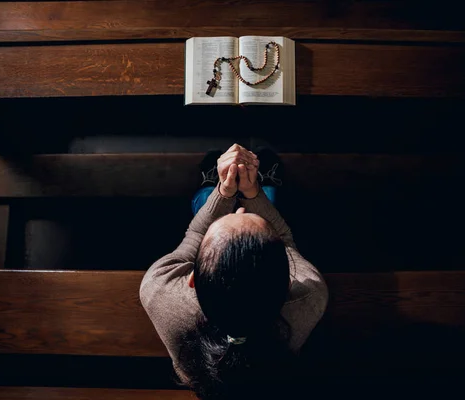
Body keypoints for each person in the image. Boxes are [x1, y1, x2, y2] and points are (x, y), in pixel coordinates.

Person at [139, 144, 328, 400]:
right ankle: (262, 188)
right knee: (268, 199)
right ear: (286, 285)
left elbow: (195, 234)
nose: (240, 209)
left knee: (206, 203)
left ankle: (210, 188)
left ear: (192, 280)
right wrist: (252, 192)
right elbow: (284, 238)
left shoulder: (161, 290)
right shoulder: (308, 295)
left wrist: (224, 192)